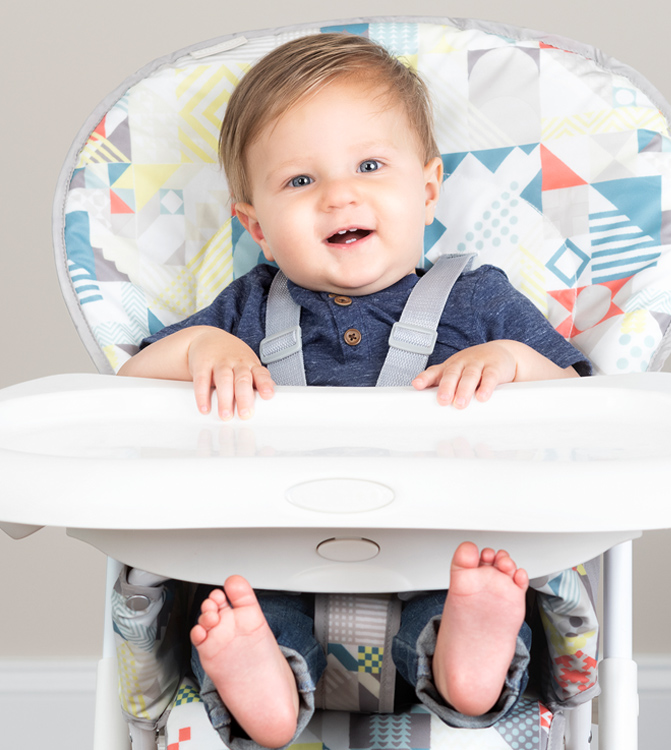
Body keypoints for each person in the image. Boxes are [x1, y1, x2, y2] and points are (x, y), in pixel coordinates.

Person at [119, 33, 590, 750]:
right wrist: (202, 348)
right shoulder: (245, 309)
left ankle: (471, 664)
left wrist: (514, 362)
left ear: (427, 189)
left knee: (484, 583)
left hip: (443, 555)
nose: (341, 193)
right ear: (256, 227)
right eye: (300, 181)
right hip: (279, 564)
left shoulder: (478, 301)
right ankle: (265, 690)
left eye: (370, 165)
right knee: (240, 605)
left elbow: (578, 398)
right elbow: (129, 385)